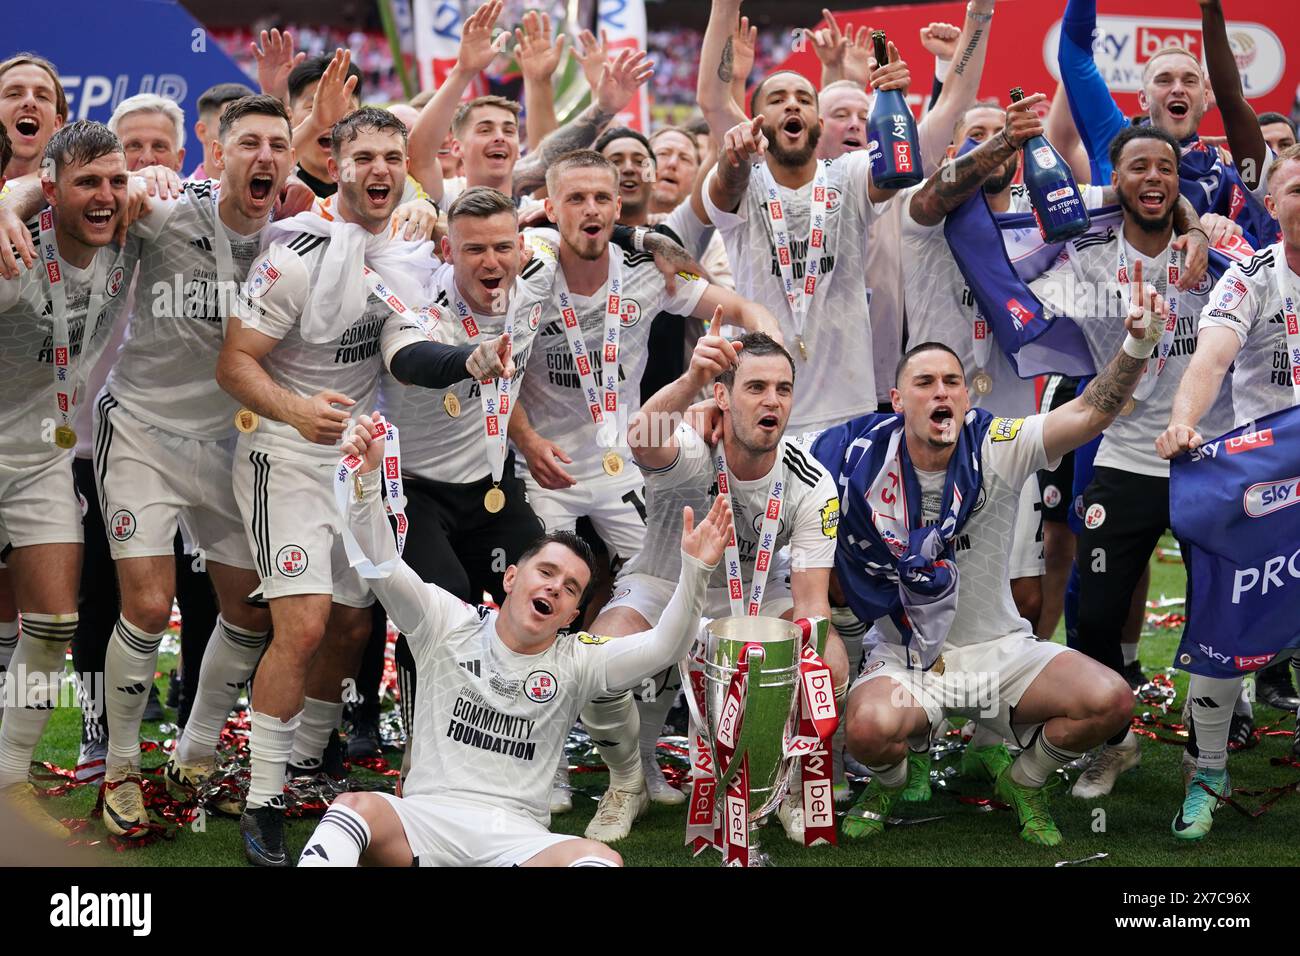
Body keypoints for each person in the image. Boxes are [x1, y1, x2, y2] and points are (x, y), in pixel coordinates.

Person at [216, 106, 510, 866]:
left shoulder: (404, 253)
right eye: (364, 157)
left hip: (356, 459)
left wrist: (469, 363)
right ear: (335, 164)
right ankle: (264, 796)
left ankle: (309, 761)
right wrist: (296, 409)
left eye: (392, 156)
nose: (380, 169)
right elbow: (236, 362)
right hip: (281, 448)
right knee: (305, 626)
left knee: (352, 627)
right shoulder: (294, 254)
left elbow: (405, 349)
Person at [823, 268, 1169, 845]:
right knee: (866, 729)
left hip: (1000, 653)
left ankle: (1026, 779)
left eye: (953, 382)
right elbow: (776, 460)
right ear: (896, 398)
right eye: (926, 382)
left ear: (968, 394)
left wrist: (1137, 344)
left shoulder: (996, 444)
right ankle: (889, 781)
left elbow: (1090, 413)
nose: (942, 393)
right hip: (910, 662)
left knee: (1112, 700)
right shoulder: (852, 460)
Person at [294, 414, 729, 867]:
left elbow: (665, 647)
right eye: (546, 572)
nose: (555, 588)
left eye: (570, 588)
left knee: (600, 861)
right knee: (352, 810)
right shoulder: (446, 623)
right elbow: (382, 563)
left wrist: (695, 571)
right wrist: (366, 484)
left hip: (514, 837)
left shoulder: (577, 659)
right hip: (425, 821)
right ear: (511, 577)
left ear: (573, 615)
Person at [507, 149, 779, 841]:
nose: (593, 211)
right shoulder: (529, 266)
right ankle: (548, 764)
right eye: (577, 200)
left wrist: (760, 357)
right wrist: (530, 439)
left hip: (630, 459)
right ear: (550, 203)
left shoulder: (648, 267)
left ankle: (644, 759)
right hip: (546, 462)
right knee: (544, 600)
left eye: (603, 198)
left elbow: (731, 302)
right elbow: (493, 364)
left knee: (661, 592)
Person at [1029, 126, 1236, 799]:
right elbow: (1014, 273)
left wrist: (1199, 232)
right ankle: (1113, 746)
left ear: (1181, 181)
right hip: (1123, 457)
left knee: (1222, 615)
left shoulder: (1216, 257)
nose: (1154, 177)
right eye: (1138, 167)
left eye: (1167, 168)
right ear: (1114, 181)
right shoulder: (1084, 260)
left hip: (1207, 458)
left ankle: (1208, 756)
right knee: (1096, 613)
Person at [603, 320, 846, 836]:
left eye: (782, 390)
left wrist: (810, 660)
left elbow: (812, 605)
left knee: (830, 663)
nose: (771, 402)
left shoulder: (812, 483)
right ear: (724, 396)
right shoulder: (692, 445)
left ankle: (784, 783)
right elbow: (642, 438)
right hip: (665, 581)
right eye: (755, 387)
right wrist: (691, 380)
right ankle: (627, 782)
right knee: (599, 653)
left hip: (756, 596)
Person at [1156, 143, 1300, 838]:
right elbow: (1210, 358)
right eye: (1295, 186)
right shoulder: (1251, 274)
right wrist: (1184, 423)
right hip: (1264, 481)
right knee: (1225, 625)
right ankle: (1206, 770)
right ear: (1273, 206)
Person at [0, 121, 134, 839]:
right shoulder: (13, 246)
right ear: (51, 191)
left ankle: (7, 783)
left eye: (116, 180)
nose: (106, 196)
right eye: (87, 183)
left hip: (44, 460)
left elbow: (230, 193)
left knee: (53, 625)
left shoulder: (132, 231)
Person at [695, 0, 912, 434]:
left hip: (852, 411)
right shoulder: (743, 181)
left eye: (804, 99)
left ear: (817, 122)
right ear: (758, 120)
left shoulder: (849, 176)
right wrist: (725, 7)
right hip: (768, 413)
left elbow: (896, 170)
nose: (792, 105)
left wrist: (892, 95)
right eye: (777, 99)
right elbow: (713, 101)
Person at [406, 0, 652, 208]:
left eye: (509, 130)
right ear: (456, 147)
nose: (500, 137)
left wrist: (604, 108)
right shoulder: (443, 196)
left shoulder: (529, 206)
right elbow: (419, 154)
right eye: (485, 129)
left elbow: (548, 159)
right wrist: (463, 71)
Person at [0, 54, 66, 180]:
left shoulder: (73, 197)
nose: (30, 101)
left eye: (42, 96)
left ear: (56, 125)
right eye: (14, 94)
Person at [190, 82, 256, 180]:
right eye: (229, 125)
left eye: (251, 127)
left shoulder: (277, 193)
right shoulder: (176, 193)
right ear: (202, 132)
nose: (244, 136)